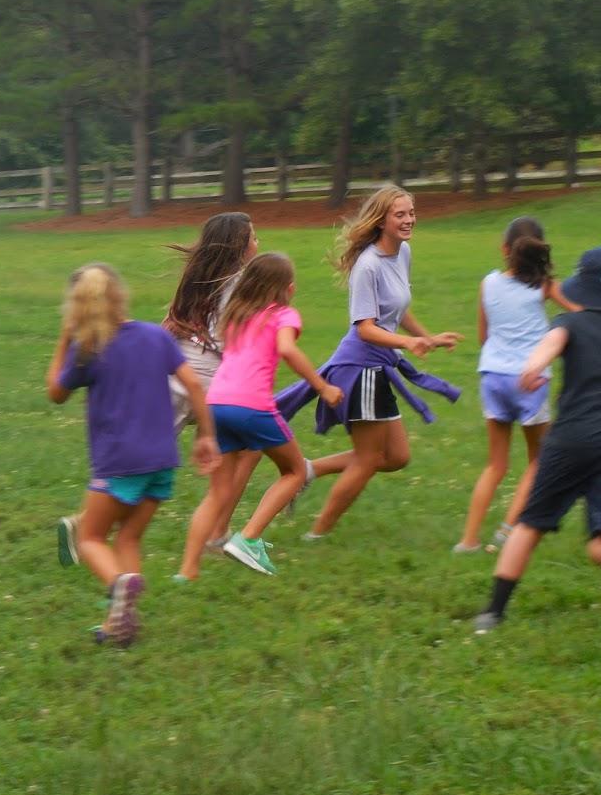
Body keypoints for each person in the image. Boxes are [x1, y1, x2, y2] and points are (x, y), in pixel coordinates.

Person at [56, 212, 260, 566]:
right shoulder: (240, 283)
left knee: (239, 449)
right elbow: (236, 338)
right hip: (203, 380)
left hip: (186, 373)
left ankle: (216, 533)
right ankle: (88, 526)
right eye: (254, 237)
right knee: (143, 462)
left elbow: (179, 320)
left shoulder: (204, 278)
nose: (258, 243)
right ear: (239, 245)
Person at [473, 248, 601, 632]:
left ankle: (492, 613)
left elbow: (549, 346)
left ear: (583, 284)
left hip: (573, 439)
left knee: (530, 524)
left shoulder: (570, 323)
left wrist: (533, 367)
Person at [276, 186, 463, 539]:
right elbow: (365, 328)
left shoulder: (402, 252)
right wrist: (407, 342)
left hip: (381, 365)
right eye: (400, 215)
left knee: (396, 456)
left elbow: (398, 308)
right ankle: (317, 535)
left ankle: (307, 470)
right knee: (368, 459)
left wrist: (428, 336)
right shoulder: (368, 265)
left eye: (411, 212)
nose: (409, 220)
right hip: (362, 369)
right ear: (382, 221)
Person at [46, 263, 217, 645]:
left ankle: (117, 583)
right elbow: (193, 385)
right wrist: (206, 436)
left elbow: (55, 393)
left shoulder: (88, 349)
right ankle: (120, 626)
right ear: (120, 295)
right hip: (161, 460)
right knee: (128, 540)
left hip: (120, 463)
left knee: (89, 537)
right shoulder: (155, 336)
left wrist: (64, 339)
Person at [176, 253, 343, 578]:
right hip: (252, 407)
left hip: (216, 406)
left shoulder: (236, 316)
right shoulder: (284, 315)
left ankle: (187, 570)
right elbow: (288, 350)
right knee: (295, 471)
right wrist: (323, 387)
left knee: (217, 493)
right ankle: (248, 540)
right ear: (288, 288)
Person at [455, 218, 578, 553]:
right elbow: (580, 313)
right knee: (539, 459)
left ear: (504, 250)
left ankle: (468, 540)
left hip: (492, 378)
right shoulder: (545, 287)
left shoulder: (487, 283)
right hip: (530, 381)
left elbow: (483, 337)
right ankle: (509, 531)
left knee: (496, 464)